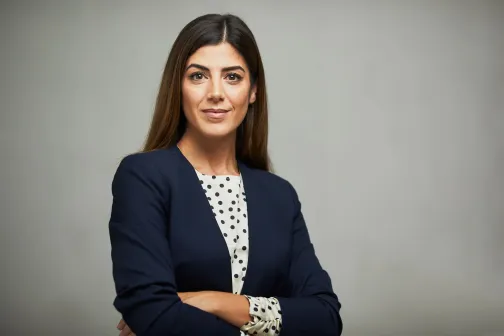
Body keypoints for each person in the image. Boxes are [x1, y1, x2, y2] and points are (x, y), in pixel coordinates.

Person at [108, 13, 343, 336]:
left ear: (253, 91)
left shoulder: (279, 195)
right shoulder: (143, 178)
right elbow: (153, 313)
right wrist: (269, 323)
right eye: (198, 76)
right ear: (178, 86)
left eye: (232, 77)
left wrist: (214, 301)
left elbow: (325, 317)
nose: (216, 92)